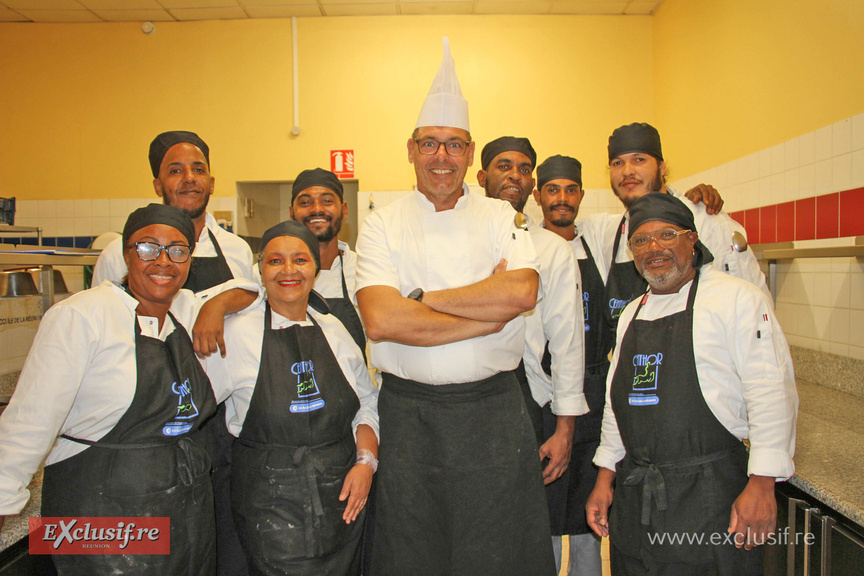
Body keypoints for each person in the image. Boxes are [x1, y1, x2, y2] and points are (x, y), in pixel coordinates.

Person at [355, 38, 555, 575]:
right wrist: (486, 314)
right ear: (411, 148)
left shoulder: (499, 217)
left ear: (470, 152)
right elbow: (381, 320)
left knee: (497, 556)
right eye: (429, 144)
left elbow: (521, 294)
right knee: (411, 555)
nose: (441, 157)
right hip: (408, 419)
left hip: (492, 413)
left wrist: (421, 302)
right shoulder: (382, 224)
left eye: (454, 145)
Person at [0, 204, 258, 575]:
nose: (163, 261)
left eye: (178, 250)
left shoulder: (185, 311)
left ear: (190, 261)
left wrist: (218, 305)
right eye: (148, 248)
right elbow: (26, 426)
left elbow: (255, 291)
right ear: (125, 254)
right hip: (98, 511)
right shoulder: (81, 316)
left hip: (185, 512)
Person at [585, 192, 798, 576]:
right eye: (641, 240)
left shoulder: (736, 299)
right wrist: (604, 477)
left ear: (692, 239)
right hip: (637, 498)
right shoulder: (632, 312)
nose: (654, 248)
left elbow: (771, 392)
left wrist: (763, 484)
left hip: (712, 496)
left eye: (667, 235)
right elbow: (618, 408)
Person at [205, 221, 379, 576]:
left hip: (341, 498)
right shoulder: (235, 334)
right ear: (260, 270)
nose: (288, 271)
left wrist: (366, 463)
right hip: (268, 505)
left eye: (300, 260)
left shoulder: (335, 330)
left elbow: (366, 403)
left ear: (316, 268)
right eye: (275, 261)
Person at [478, 139, 590, 571]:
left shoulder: (553, 250)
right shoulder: (459, 238)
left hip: (528, 400)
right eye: (504, 166)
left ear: (533, 184)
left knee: (531, 528)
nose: (515, 176)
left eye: (525, 169)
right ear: (481, 175)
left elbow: (567, 345)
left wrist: (564, 430)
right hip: (466, 398)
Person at [599, 123, 771, 342]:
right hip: (640, 367)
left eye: (639, 159)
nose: (627, 171)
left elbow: (755, 314)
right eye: (617, 163)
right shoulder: (613, 232)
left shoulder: (706, 220)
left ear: (661, 168)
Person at [530, 155, 610, 576]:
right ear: (538, 196)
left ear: (581, 195)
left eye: (570, 189)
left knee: (585, 514)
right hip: (543, 398)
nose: (562, 198)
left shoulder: (596, 241)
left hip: (595, 395)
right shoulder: (528, 246)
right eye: (553, 189)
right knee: (542, 512)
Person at [93, 130, 256, 292]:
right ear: (158, 186)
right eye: (175, 171)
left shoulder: (238, 250)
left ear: (211, 184)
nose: (189, 178)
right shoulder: (119, 254)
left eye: (198, 170)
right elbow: (101, 314)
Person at [289, 168, 365, 355]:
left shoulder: (363, 269)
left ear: (344, 210)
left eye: (327, 201)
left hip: (351, 383)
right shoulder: (273, 274)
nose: (316, 209)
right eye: (305, 202)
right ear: (292, 213)